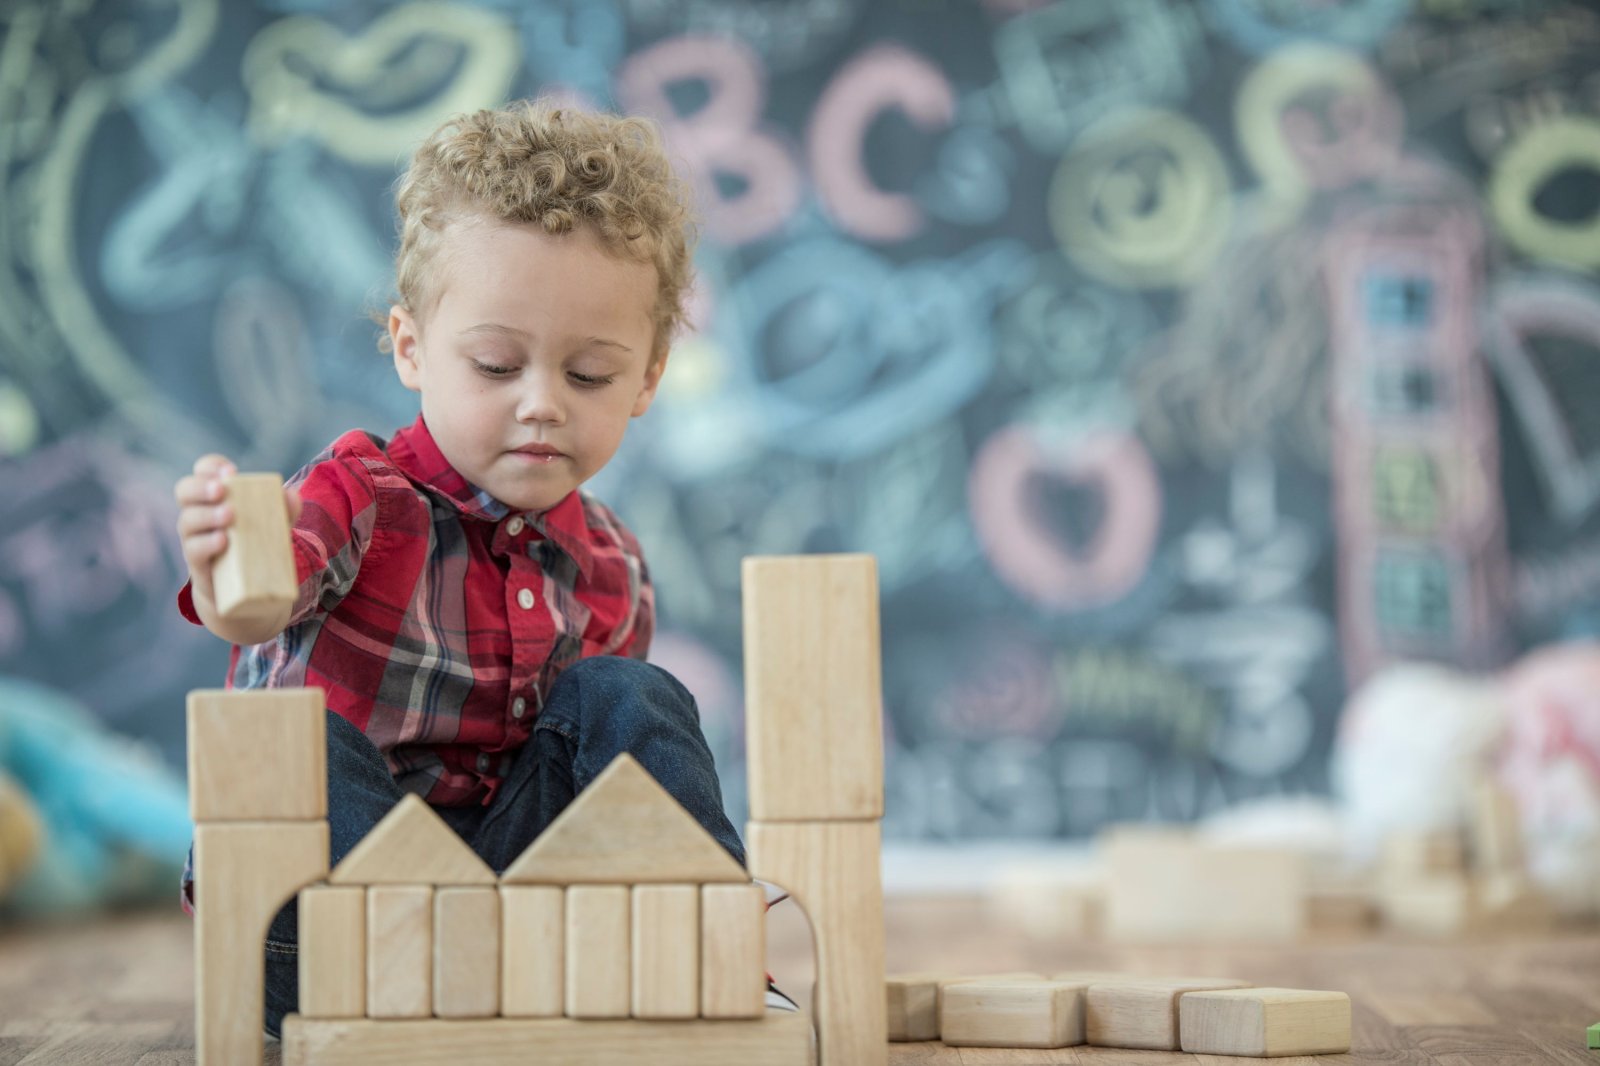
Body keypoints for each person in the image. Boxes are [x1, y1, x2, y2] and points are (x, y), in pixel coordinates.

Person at [171, 98, 791, 1036]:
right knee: (292, 748)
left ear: (649, 378)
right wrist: (229, 563)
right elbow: (261, 606)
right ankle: (449, 977)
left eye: (588, 377)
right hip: (321, 922)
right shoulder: (359, 493)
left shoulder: (613, 562)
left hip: (507, 913)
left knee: (630, 693)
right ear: (414, 349)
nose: (541, 405)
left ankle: (701, 940)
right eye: (497, 366)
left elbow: (599, 777)